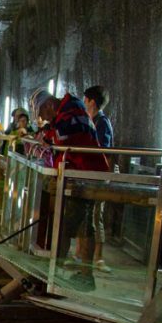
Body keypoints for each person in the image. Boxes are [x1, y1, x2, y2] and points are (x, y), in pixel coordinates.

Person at [29, 87, 110, 291]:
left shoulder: (72, 110)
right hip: (80, 175)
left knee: (64, 225)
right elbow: (55, 133)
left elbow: (63, 137)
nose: (44, 119)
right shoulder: (66, 112)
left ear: (49, 105)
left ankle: (52, 276)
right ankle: (84, 275)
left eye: (43, 114)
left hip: (84, 175)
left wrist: (46, 136)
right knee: (84, 225)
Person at [82, 86, 114, 272]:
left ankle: (98, 257)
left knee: (95, 215)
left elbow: (103, 150)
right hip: (89, 172)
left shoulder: (102, 123)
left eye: (85, 99)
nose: (83, 102)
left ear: (92, 102)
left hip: (99, 175)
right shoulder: (91, 120)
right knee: (87, 214)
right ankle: (81, 253)